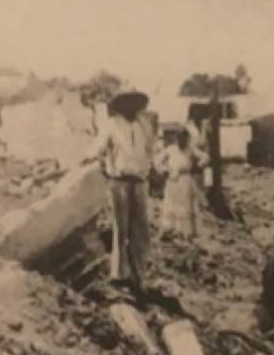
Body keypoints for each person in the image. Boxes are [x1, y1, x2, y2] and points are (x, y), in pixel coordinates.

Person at [86, 89, 156, 292]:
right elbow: (97, 148)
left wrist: (151, 170)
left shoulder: (143, 126)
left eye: (135, 104)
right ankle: (119, 274)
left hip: (140, 182)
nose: (132, 108)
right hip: (119, 181)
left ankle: (139, 275)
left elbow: (149, 151)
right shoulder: (112, 126)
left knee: (140, 230)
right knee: (121, 228)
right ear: (121, 106)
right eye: (128, 104)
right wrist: (88, 159)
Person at [156, 127, 208, 239]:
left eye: (184, 139)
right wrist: (164, 170)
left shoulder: (190, 149)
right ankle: (170, 229)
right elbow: (157, 161)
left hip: (185, 179)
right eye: (179, 138)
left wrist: (198, 166)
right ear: (176, 138)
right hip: (173, 179)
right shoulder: (170, 149)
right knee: (171, 204)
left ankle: (186, 231)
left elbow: (205, 157)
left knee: (185, 205)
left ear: (187, 139)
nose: (181, 141)